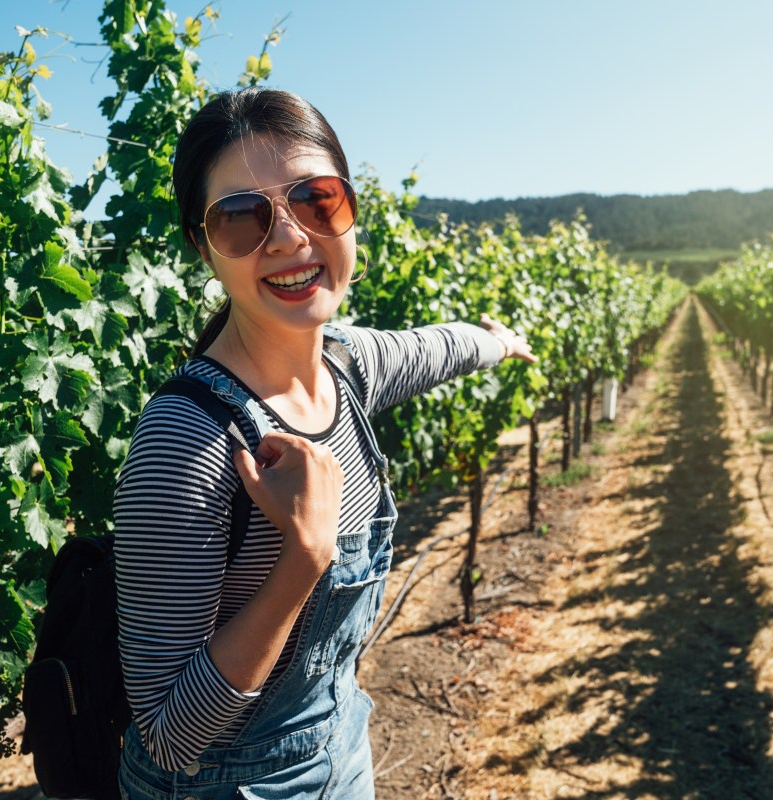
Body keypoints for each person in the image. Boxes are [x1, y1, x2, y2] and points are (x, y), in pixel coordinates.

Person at [112, 87, 537, 800]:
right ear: (202, 246)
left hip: (340, 742)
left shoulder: (347, 362)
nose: (287, 238)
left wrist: (494, 341)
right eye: (241, 217)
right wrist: (304, 557)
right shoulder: (187, 442)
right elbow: (170, 733)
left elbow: (433, 348)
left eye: (317, 199)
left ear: (350, 210)